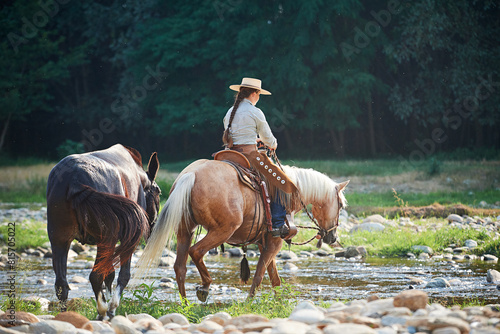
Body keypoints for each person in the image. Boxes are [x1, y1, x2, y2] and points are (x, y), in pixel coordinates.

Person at [222, 77, 297, 238]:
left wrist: (252, 139)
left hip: (230, 155)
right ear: (255, 94)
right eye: (259, 94)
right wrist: (271, 143)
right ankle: (277, 224)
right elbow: (270, 140)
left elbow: (234, 136)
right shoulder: (255, 112)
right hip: (250, 157)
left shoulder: (229, 112)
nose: (259, 97)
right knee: (281, 181)